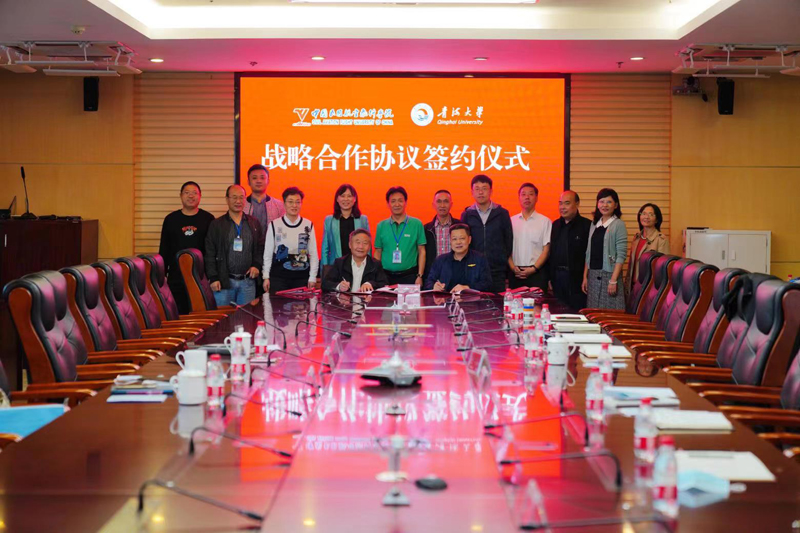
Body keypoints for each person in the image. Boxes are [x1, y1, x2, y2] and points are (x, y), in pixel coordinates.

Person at [158, 181, 215, 314]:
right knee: (178, 314)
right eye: (187, 193)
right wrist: (162, 275)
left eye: (194, 193)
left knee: (201, 314)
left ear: (200, 196)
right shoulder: (171, 219)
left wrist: (212, 275)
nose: (191, 196)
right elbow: (164, 249)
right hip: (176, 277)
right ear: (181, 195)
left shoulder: (208, 219)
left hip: (201, 277)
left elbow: (212, 250)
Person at [204, 184, 263, 306]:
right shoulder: (216, 224)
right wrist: (213, 277)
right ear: (227, 199)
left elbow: (260, 247)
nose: (238, 201)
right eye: (234, 197)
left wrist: (257, 265)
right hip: (224, 282)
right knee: (224, 317)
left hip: (248, 282)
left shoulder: (254, 223)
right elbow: (209, 252)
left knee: (246, 316)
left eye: (241, 197)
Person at [460, 175, 513, 293]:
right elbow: (463, 241)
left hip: (497, 270)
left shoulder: (502, 213)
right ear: (472, 192)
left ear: (491, 191)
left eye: (484, 188)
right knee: (475, 302)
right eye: (477, 189)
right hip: (474, 269)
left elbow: (508, 240)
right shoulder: (467, 215)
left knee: (497, 301)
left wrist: (501, 259)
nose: (480, 192)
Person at [262, 187, 319, 295]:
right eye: (290, 202)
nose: (294, 205)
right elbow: (268, 253)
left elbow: (313, 254)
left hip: (301, 278)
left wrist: (312, 277)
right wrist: (266, 276)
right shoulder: (274, 225)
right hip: (279, 278)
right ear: (284, 204)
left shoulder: (308, 225)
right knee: (278, 305)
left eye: (297, 202)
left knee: (301, 305)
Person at [582, 188, 628, 310]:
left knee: (609, 314)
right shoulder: (594, 224)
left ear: (616, 205)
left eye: (609, 202)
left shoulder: (618, 224)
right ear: (597, 204)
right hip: (592, 277)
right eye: (601, 201)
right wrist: (585, 277)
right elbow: (588, 253)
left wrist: (613, 280)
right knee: (593, 315)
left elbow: (621, 255)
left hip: (610, 276)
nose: (605, 205)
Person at [374, 186, 426, 286]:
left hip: (410, 276)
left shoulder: (417, 224)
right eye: (393, 201)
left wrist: (420, 276)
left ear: (406, 202)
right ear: (388, 204)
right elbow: (378, 252)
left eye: (400, 201)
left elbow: (422, 251)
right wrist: (377, 276)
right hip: (386, 276)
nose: (397, 204)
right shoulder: (381, 226)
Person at [549, 190, 591, 310]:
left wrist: (586, 277)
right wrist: (550, 278)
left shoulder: (587, 226)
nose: (562, 207)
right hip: (557, 279)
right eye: (560, 203)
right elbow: (551, 253)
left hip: (577, 281)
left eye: (567, 203)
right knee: (557, 312)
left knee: (576, 313)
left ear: (577, 204)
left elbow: (590, 255)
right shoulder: (555, 225)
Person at [424, 224, 492, 293]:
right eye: (454, 239)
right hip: (446, 299)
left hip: (471, 299)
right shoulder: (440, 260)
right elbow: (428, 282)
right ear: (450, 241)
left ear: (469, 240)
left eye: (462, 238)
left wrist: (468, 288)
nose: (458, 242)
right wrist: (434, 286)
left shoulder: (480, 259)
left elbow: (487, 284)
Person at [508, 182, 552, 291]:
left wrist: (533, 269)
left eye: (531, 194)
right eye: (523, 194)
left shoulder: (545, 221)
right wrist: (513, 267)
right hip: (515, 274)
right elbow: (506, 248)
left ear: (536, 198)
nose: (527, 197)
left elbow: (546, 250)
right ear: (519, 198)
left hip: (537, 274)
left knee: (537, 302)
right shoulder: (510, 221)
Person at [321, 184, 370, 273]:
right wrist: (324, 267)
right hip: (336, 266)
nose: (346, 199)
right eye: (343, 196)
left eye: (349, 196)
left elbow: (367, 245)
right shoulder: (329, 220)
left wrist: (369, 266)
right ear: (337, 199)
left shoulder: (363, 219)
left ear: (354, 199)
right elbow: (325, 247)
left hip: (358, 266)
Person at [322, 229, 388, 293]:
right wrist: (339, 286)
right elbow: (325, 284)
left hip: (366, 300)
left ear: (370, 247)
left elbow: (384, 284)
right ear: (350, 245)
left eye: (365, 243)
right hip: (344, 300)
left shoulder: (375, 264)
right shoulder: (340, 263)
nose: (361, 246)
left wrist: (370, 284)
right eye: (357, 242)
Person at [626, 203, 670, 293]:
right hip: (633, 287)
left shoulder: (661, 240)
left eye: (651, 214)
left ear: (657, 220)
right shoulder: (636, 238)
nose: (646, 217)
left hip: (649, 288)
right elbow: (631, 265)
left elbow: (663, 269)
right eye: (644, 213)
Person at [423, 189, 461, 281]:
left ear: (451, 204)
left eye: (446, 201)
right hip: (433, 276)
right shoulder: (426, 229)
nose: (442, 205)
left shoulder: (460, 226)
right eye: (439, 202)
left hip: (456, 274)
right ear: (433, 205)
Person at [243, 164, 285, 237]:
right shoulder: (242, 205)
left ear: (268, 181)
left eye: (262, 178)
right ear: (248, 182)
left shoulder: (279, 206)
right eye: (254, 178)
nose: (258, 181)